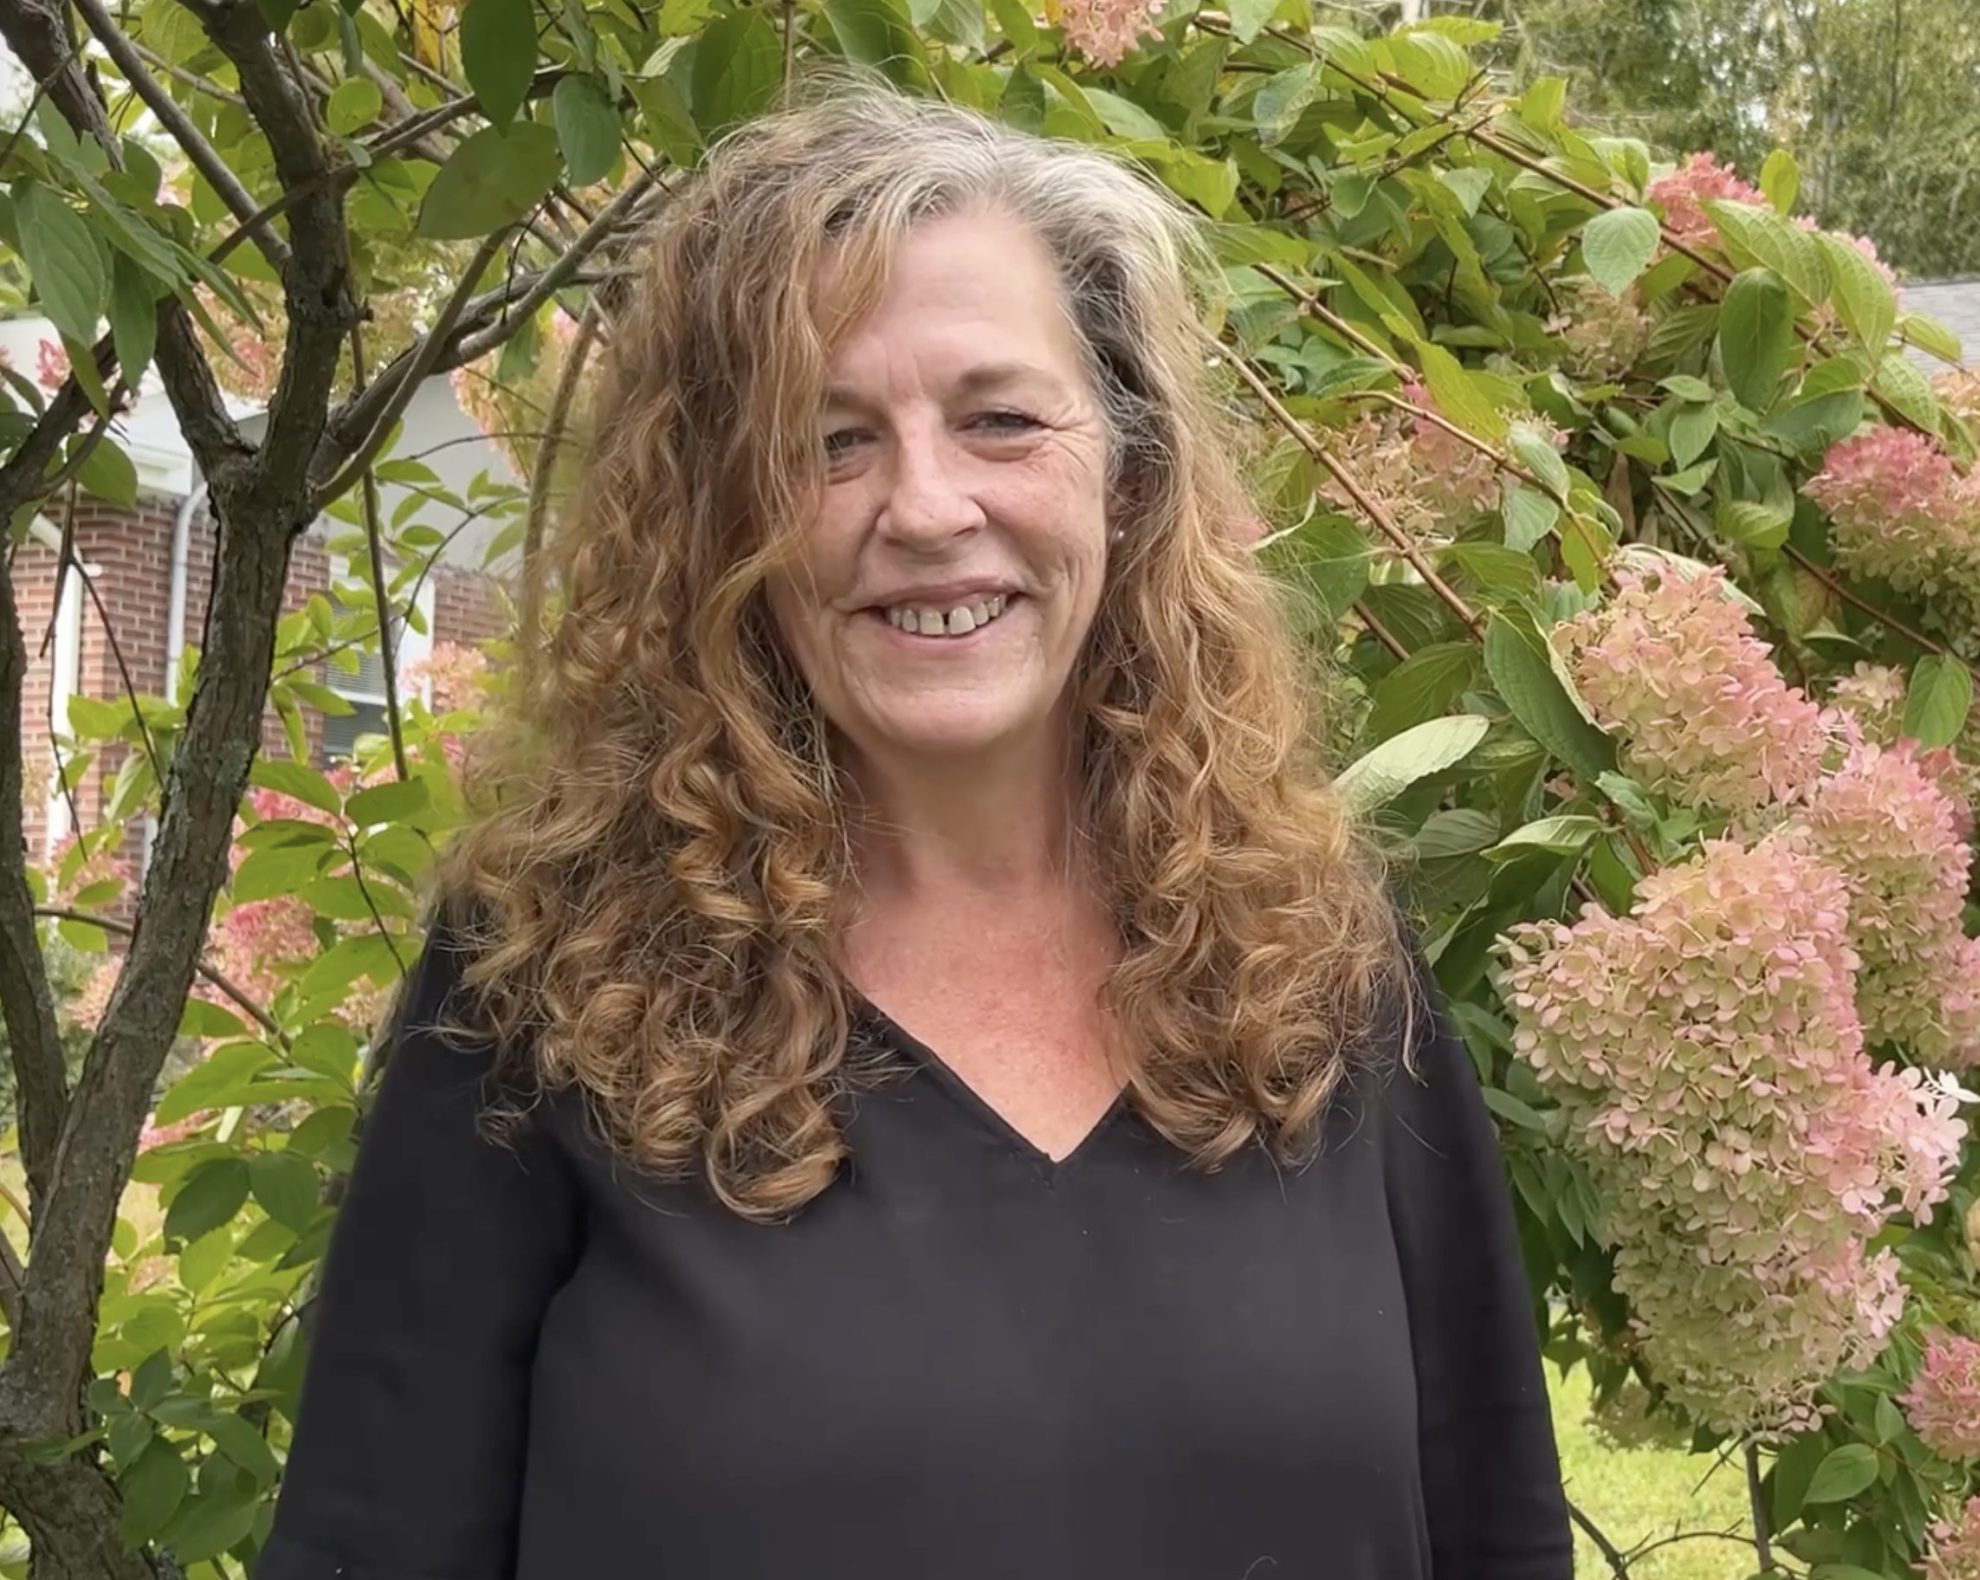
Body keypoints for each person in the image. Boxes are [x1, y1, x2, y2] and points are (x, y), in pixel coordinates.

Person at [257, 77, 1571, 1580]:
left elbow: (1497, 1534)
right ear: (715, 514)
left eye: (1000, 419)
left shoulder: (1328, 970)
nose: (927, 506)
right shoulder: (544, 992)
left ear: (1129, 476)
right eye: (828, 444)